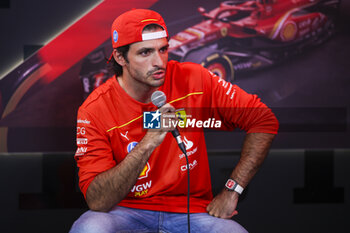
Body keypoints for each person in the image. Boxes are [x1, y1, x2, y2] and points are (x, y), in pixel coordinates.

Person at [70, 8, 278, 233]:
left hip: (192, 212)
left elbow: (263, 120)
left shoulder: (194, 79)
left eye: (163, 49)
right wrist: (148, 143)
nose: (159, 62)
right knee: (90, 228)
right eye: (145, 53)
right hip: (124, 211)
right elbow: (97, 201)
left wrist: (232, 189)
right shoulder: (94, 109)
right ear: (120, 57)